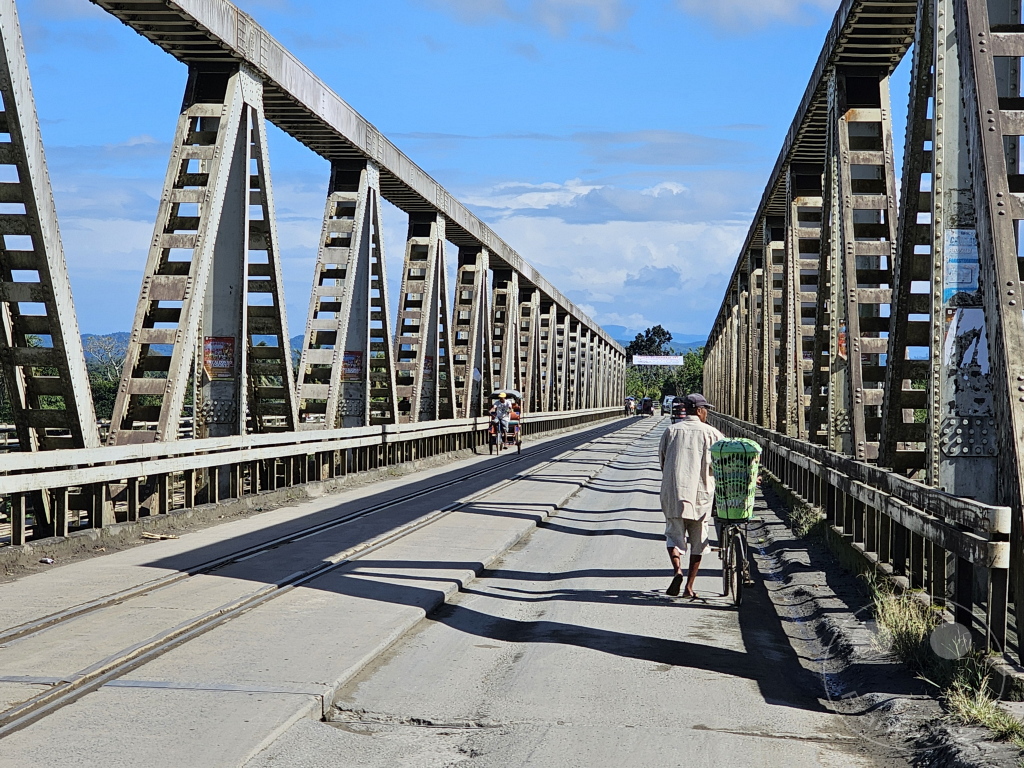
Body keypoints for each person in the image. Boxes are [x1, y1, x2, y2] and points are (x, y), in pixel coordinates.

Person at [658, 393, 724, 599]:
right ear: (698, 410)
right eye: (706, 409)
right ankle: (689, 587)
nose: (707, 413)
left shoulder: (671, 431)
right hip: (701, 496)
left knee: (673, 536)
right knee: (699, 541)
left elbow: (662, 460)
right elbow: (723, 464)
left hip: (674, 493)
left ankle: (677, 570)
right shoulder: (713, 434)